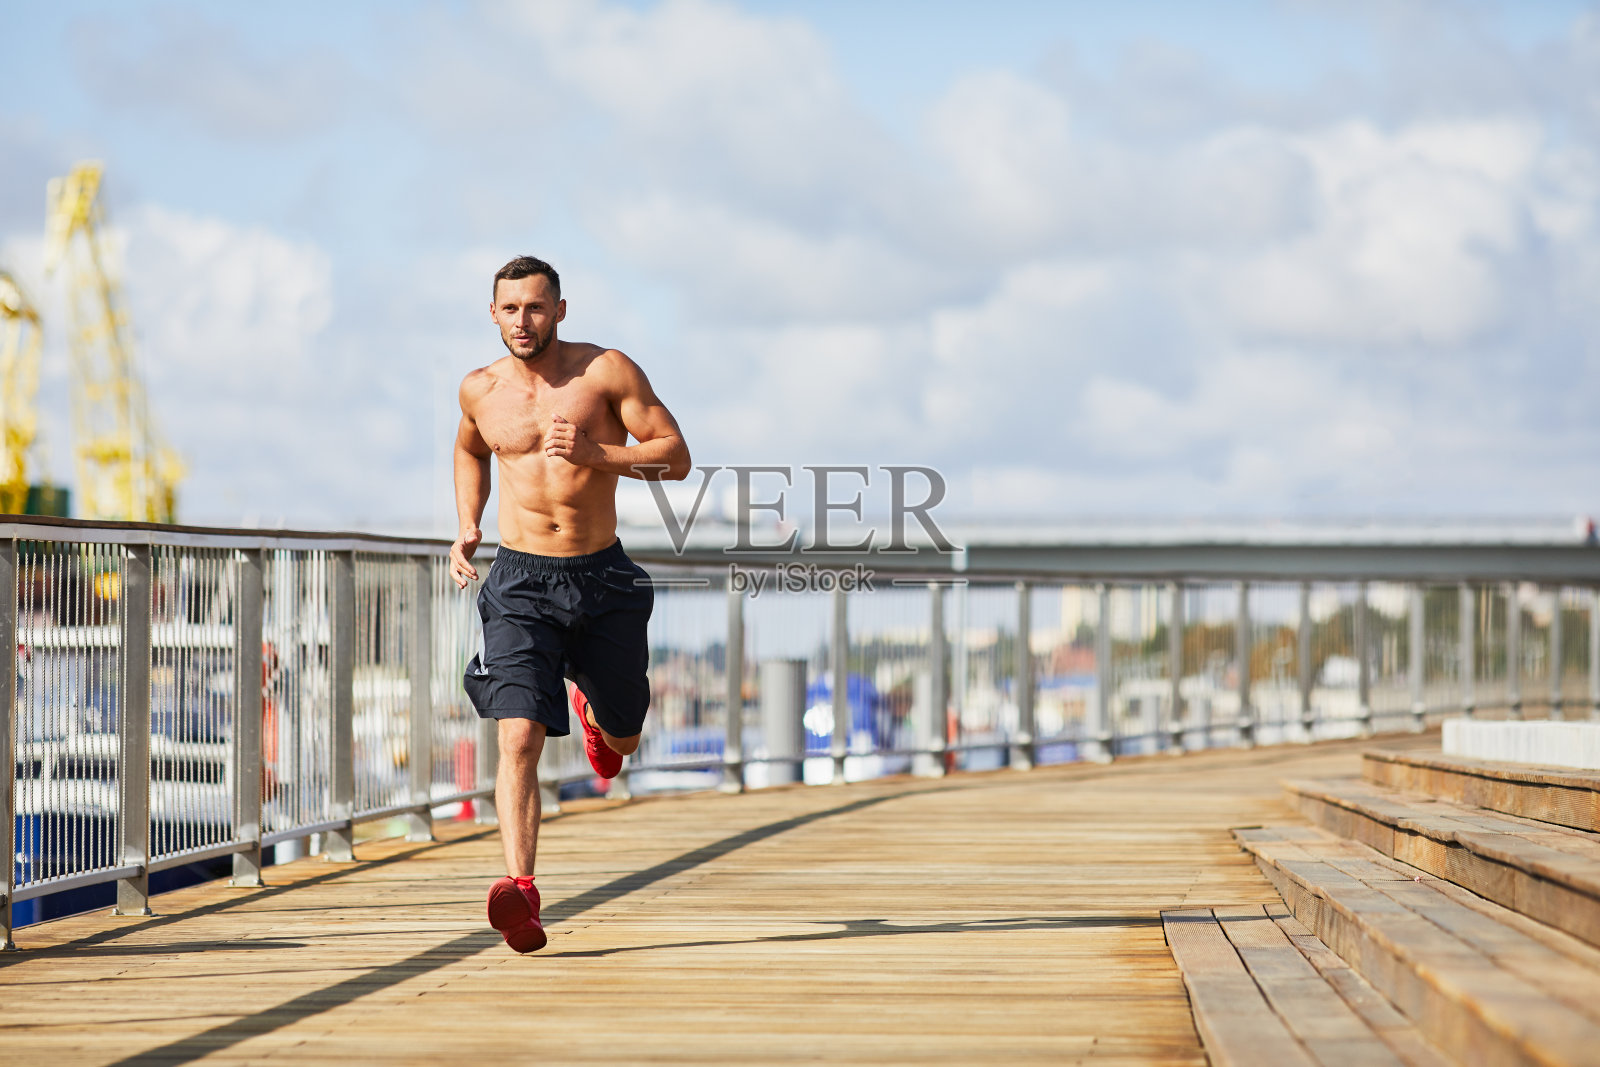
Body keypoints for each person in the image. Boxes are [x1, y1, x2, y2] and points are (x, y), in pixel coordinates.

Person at [450, 255, 690, 953]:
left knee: (626, 733)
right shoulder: (479, 390)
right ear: (492, 314)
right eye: (510, 309)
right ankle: (520, 890)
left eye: (535, 306)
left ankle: (597, 717)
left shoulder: (605, 373)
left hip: (601, 578)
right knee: (517, 733)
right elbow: (470, 451)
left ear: (559, 309)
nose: (523, 320)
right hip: (520, 581)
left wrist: (596, 454)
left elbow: (675, 455)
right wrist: (468, 520)